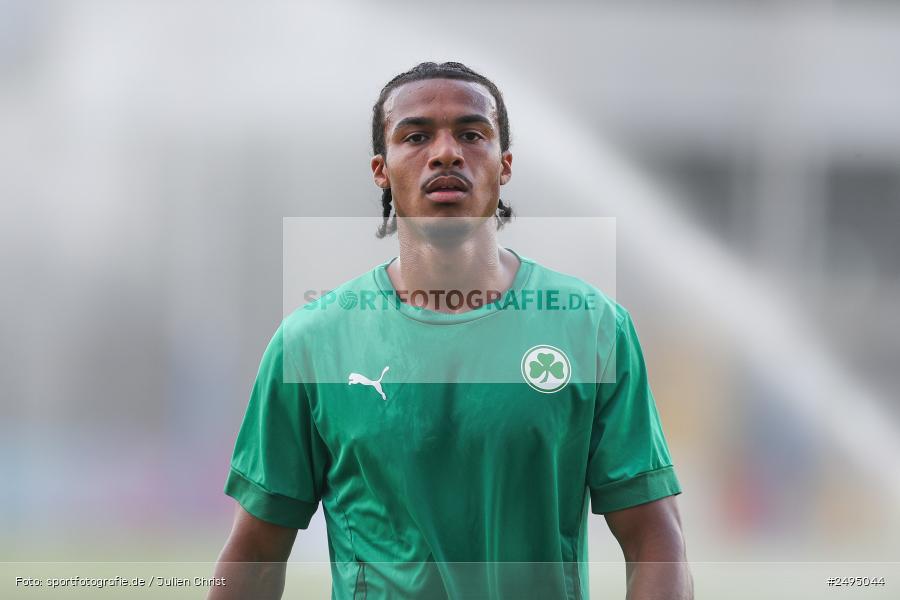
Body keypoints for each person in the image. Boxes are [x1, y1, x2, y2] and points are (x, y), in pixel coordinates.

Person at [209, 61, 692, 600]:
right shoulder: (310, 342)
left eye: (471, 134)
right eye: (415, 136)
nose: (445, 152)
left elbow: (656, 539)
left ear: (504, 164)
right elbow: (255, 552)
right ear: (381, 169)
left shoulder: (592, 326)